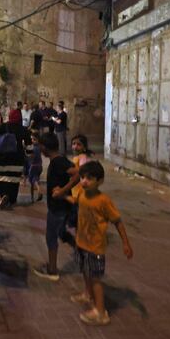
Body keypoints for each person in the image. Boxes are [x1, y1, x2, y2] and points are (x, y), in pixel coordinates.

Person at [69, 161, 133, 325]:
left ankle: (100, 311)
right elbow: (75, 202)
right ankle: (87, 293)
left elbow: (117, 221)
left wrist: (125, 243)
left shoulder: (103, 200)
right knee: (85, 270)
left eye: (89, 178)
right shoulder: (82, 195)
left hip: (95, 246)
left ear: (100, 181)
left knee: (96, 278)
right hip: (82, 242)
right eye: (82, 177)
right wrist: (61, 195)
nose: (84, 181)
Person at [33, 133, 72, 282]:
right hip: (59, 206)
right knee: (59, 234)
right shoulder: (57, 161)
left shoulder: (58, 162)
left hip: (57, 207)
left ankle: (52, 270)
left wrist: (63, 191)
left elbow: (77, 173)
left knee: (51, 237)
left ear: (44, 147)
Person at [0, 119, 28, 210]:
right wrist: (29, 153)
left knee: (1, 178)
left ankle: (4, 195)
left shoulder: (4, 126)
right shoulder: (22, 128)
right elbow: (29, 143)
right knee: (14, 180)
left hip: (2, 157)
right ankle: (12, 199)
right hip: (17, 157)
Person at [26, 132, 44, 203]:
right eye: (31, 139)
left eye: (34, 139)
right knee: (35, 179)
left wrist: (26, 156)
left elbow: (31, 157)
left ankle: (38, 192)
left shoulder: (34, 149)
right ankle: (33, 196)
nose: (32, 141)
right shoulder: (39, 147)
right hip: (39, 166)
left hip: (33, 166)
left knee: (33, 181)